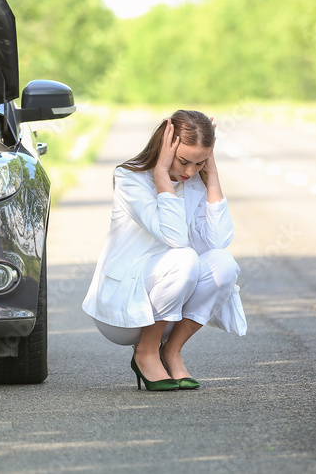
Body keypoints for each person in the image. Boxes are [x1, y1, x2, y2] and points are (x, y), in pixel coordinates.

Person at [82, 110, 246, 391]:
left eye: (200, 163)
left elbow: (219, 240)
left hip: (172, 310)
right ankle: (145, 351)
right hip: (124, 311)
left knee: (224, 264)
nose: (190, 172)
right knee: (184, 258)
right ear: (165, 146)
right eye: (184, 161)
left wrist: (213, 173)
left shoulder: (195, 180)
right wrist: (160, 174)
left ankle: (170, 351)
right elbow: (174, 237)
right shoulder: (129, 178)